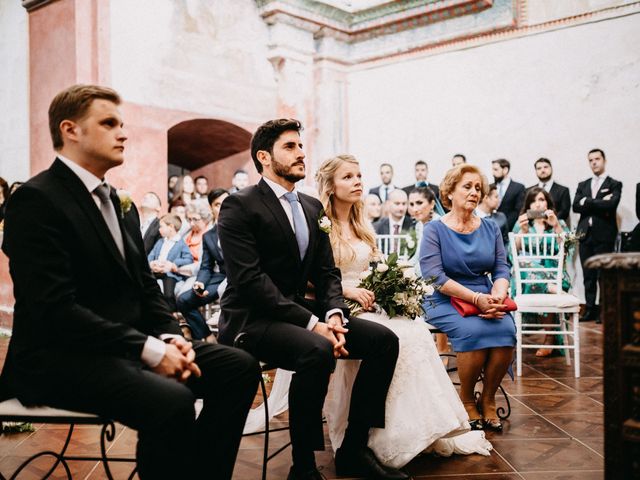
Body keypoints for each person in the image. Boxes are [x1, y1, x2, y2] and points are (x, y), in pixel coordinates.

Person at [0, 84, 259, 479]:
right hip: (58, 357)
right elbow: (54, 309)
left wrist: (172, 336)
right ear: (70, 130)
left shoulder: (119, 206)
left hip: (123, 347)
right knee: (172, 400)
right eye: (108, 123)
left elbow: (144, 286)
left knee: (237, 367)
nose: (123, 133)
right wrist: (148, 350)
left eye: (122, 124)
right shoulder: (37, 200)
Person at [218, 118, 406, 480]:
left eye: (301, 146)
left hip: (301, 313)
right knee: (315, 350)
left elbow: (326, 272)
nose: (301, 153)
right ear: (264, 157)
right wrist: (313, 324)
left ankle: (353, 450)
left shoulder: (310, 206)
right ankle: (303, 467)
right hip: (252, 319)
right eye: (290, 147)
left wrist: (334, 313)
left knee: (384, 341)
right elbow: (249, 281)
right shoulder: (240, 206)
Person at [319, 155, 491, 469]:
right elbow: (314, 276)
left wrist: (390, 286)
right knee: (396, 337)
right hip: (340, 304)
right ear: (330, 185)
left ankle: (421, 429)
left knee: (415, 331)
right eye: (348, 177)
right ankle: (380, 439)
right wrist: (347, 290)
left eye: (359, 175)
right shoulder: (321, 223)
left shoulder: (361, 223)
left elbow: (373, 266)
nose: (358, 181)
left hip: (370, 301)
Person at [421, 164, 516, 432]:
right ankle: (465, 399)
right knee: (472, 331)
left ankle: (487, 398)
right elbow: (434, 276)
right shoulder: (434, 229)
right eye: (467, 186)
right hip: (444, 298)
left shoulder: (490, 227)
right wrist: (476, 298)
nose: (474, 192)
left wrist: (498, 293)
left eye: (478, 188)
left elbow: (501, 266)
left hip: (484, 293)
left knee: (505, 329)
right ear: (449, 192)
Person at [511, 187, 571, 356]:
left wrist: (557, 226)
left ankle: (549, 338)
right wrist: (522, 233)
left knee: (542, 275)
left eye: (542, 200)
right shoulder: (522, 223)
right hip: (526, 274)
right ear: (529, 204)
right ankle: (552, 288)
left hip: (554, 272)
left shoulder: (558, 223)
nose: (538, 204)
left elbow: (566, 249)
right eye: (534, 200)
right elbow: (512, 253)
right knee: (526, 265)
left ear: (548, 203)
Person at [573, 148, 622, 322]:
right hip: (586, 234)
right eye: (591, 160)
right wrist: (600, 202)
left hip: (605, 235)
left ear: (604, 160)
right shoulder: (583, 184)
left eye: (597, 159)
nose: (594, 162)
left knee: (604, 275)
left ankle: (604, 311)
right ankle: (590, 309)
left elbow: (612, 205)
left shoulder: (614, 184)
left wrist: (588, 202)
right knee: (588, 275)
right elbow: (575, 207)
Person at [176, 189, 229, 342]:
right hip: (221, 276)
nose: (222, 207)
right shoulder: (209, 236)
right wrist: (200, 283)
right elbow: (206, 266)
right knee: (184, 300)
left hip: (240, 276)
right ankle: (207, 336)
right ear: (211, 208)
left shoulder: (244, 227)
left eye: (226, 202)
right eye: (217, 204)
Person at [408, 186, 450, 357]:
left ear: (432, 204)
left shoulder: (440, 224)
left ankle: (443, 349)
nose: (415, 208)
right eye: (411, 204)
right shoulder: (420, 225)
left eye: (419, 203)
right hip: (422, 272)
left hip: (440, 273)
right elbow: (418, 255)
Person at [148, 214, 193, 312]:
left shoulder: (181, 244)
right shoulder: (160, 241)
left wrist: (173, 263)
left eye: (161, 226)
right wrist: (152, 263)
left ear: (171, 227)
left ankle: (172, 312)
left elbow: (188, 259)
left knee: (168, 294)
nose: (159, 229)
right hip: (156, 271)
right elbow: (151, 255)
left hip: (169, 274)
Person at [527, 158, 571, 223]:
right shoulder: (528, 190)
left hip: (556, 226)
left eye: (545, 167)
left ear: (551, 168)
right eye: (539, 168)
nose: (543, 170)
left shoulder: (563, 190)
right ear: (535, 171)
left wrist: (550, 220)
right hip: (533, 228)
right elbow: (526, 211)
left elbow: (564, 212)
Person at [491, 158, 525, 231]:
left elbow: (518, 210)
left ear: (505, 170)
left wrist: (505, 226)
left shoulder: (518, 187)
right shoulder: (490, 187)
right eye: (493, 170)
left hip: (510, 229)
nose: (493, 173)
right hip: (491, 228)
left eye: (496, 169)